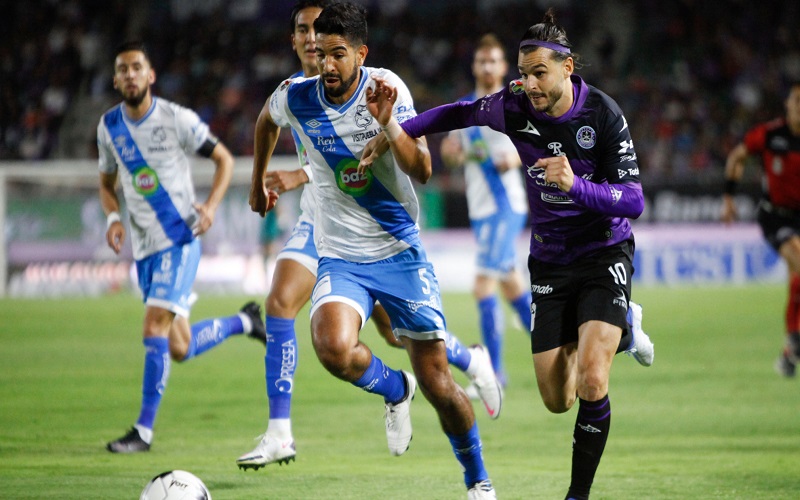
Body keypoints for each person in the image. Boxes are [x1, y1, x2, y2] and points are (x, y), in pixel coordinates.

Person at [361, 9, 655, 499]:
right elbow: (457, 113)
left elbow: (634, 200)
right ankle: (622, 326)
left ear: (567, 68)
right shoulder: (514, 105)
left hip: (603, 252)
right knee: (557, 399)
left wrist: (577, 186)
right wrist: (397, 132)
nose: (529, 84)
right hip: (550, 259)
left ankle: (577, 494)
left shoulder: (603, 114)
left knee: (592, 379)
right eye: (523, 73)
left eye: (539, 73)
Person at [236, 0, 503, 473]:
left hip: (394, 244)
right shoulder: (294, 94)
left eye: (333, 51)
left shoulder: (385, 89)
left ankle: (464, 383)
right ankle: (289, 428)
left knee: (413, 353)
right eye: (312, 42)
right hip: (331, 237)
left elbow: (421, 168)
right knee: (312, 328)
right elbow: (267, 122)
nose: (321, 56)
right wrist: (258, 182)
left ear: (359, 53)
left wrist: (389, 124)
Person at [97, 41, 266, 453]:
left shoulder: (177, 119)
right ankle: (245, 322)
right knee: (180, 346)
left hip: (179, 240)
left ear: (150, 75)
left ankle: (143, 432)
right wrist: (113, 218)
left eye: (137, 67)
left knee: (153, 326)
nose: (131, 75)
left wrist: (210, 207)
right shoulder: (109, 127)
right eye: (123, 69)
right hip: (144, 250)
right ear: (116, 80)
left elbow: (224, 159)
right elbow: (106, 182)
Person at [439, 33, 532, 389]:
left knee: (482, 287)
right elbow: (451, 154)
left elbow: (536, 145)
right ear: (475, 66)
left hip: (504, 206)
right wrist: (453, 154)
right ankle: (558, 343)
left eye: (494, 61)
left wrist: (516, 158)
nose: (488, 67)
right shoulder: (464, 108)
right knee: (512, 286)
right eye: (482, 61)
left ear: (504, 67)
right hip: (481, 210)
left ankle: (493, 374)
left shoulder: (516, 104)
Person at [722, 81, 800, 377]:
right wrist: (729, 198)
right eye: (796, 101)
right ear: (788, 105)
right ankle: (795, 337)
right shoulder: (770, 135)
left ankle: (788, 353)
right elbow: (737, 157)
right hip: (776, 218)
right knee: (798, 258)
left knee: (796, 280)